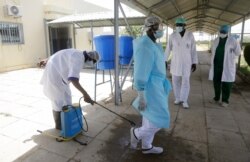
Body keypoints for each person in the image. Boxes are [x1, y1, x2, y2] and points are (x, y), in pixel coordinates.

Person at [131, 16, 172, 154]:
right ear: (151, 28)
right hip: (150, 87)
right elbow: (140, 71)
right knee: (160, 118)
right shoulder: (145, 45)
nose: (161, 30)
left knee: (149, 117)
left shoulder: (153, 44)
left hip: (157, 85)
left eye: (161, 27)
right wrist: (141, 94)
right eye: (159, 27)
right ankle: (137, 134)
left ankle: (146, 146)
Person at [40, 49, 99, 130]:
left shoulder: (77, 53)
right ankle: (60, 126)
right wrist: (85, 94)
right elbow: (74, 79)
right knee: (58, 102)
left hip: (60, 76)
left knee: (67, 98)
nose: (93, 64)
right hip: (54, 77)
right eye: (94, 62)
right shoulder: (79, 59)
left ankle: (67, 120)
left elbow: (59, 54)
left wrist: (47, 59)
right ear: (90, 59)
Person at [165, 17, 198, 108]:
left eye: (180, 25)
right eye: (177, 25)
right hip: (175, 62)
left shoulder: (190, 35)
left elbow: (193, 49)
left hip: (187, 63)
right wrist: (165, 60)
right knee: (175, 81)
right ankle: (178, 98)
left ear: (184, 25)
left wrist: (194, 62)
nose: (178, 27)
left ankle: (184, 100)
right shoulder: (173, 36)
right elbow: (168, 48)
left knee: (185, 81)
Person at [209, 25, 241, 107]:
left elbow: (238, 52)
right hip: (217, 65)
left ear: (227, 32)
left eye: (224, 32)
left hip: (227, 66)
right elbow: (213, 51)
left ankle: (225, 100)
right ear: (219, 31)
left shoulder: (233, 40)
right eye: (221, 32)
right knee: (216, 82)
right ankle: (216, 98)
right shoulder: (216, 40)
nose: (222, 33)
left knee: (227, 83)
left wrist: (232, 52)